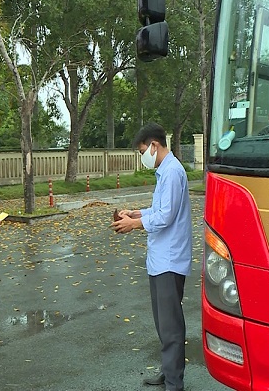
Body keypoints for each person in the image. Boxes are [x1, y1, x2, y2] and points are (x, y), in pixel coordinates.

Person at [112, 122, 192, 391]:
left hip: (170, 260)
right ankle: (169, 372)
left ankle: (174, 382)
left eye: (143, 150)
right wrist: (137, 214)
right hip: (160, 260)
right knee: (163, 323)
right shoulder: (164, 172)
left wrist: (134, 224)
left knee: (170, 326)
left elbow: (167, 216)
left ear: (155, 145)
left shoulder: (171, 172)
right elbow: (158, 210)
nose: (143, 156)